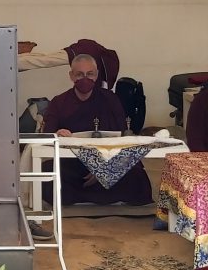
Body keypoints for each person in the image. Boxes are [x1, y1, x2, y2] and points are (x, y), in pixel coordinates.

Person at [40, 54, 153, 207]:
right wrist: (58, 134)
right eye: (79, 74)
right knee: (47, 171)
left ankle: (81, 198)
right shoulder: (59, 102)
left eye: (90, 74)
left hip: (108, 160)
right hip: (74, 164)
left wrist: (102, 167)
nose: (85, 79)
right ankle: (103, 197)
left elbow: (122, 137)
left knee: (135, 172)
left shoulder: (110, 99)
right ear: (71, 76)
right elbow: (47, 135)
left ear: (97, 75)